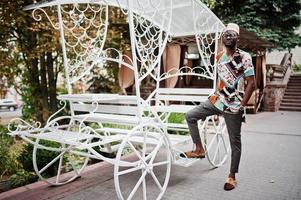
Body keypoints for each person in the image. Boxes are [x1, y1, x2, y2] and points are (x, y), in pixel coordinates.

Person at [183, 23, 255, 191]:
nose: (228, 37)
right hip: (218, 100)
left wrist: (242, 106)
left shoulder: (244, 57)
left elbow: (252, 83)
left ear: (237, 38)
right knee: (190, 116)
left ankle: (232, 176)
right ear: (222, 38)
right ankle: (199, 149)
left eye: (232, 34)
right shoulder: (219, 57)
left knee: (234, 141)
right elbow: (222, 79)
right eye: (226, 34)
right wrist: (216, 92)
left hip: (234, 105)